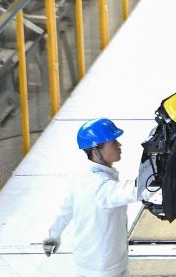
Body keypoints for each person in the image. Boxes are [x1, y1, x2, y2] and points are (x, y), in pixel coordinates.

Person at [43, 118, 147, 277]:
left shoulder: (83, 179)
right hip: (103, 268)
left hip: (94, 262)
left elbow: (65, 211)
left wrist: (53, 236)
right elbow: (132, 191)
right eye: (113, 141)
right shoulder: (99, 186)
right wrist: (156, 183)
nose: (119, 145)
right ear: (95, 150)